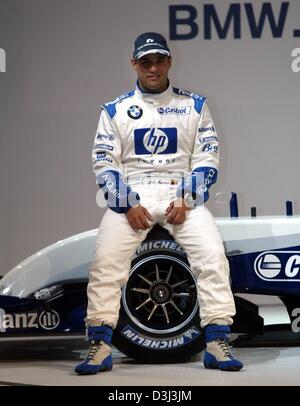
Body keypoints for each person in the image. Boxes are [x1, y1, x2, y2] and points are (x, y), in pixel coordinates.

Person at [75, 32, 243, 374]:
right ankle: (100, 344)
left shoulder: (194, 105)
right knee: (105, 262)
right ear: (134, 64)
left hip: (180, 195)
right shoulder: (115, 110)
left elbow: (207, 158)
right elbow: (104, 161)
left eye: (159, 60)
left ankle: (217, 341)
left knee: (212, 257)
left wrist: (188, 197)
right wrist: (126, 203)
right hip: (132, 195)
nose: (153, 67)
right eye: (146, 61)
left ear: (169, 61)